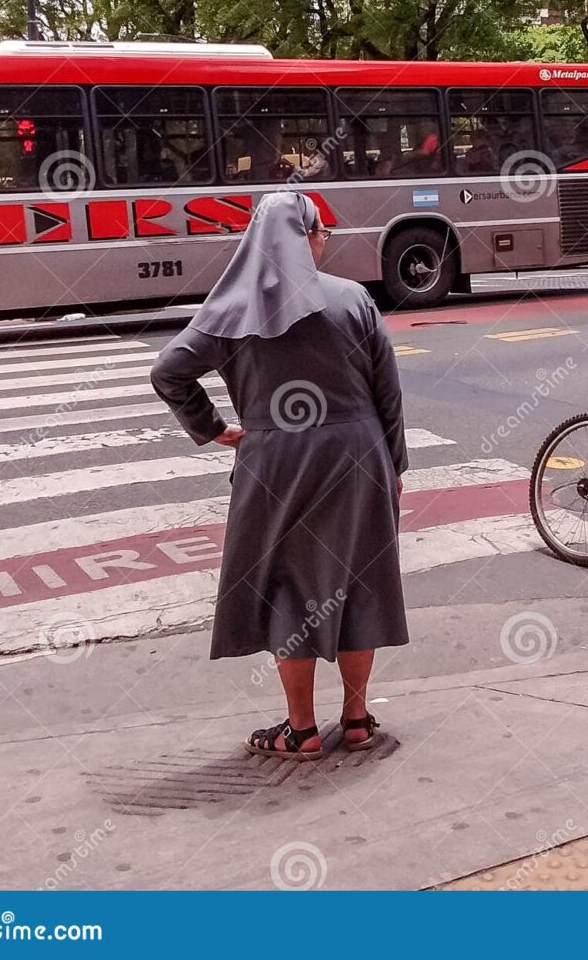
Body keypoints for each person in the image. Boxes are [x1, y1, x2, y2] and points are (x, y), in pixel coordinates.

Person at [150, 192, 409, 758]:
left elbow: (169, 373)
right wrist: (393, 466)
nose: (323, 243)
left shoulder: (228, 311)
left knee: (289, 585)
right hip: (357, 453)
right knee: (359, 580)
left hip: (275, 462)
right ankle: (358, 718)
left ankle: (302, 728)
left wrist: (214, 427)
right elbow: (388, 394)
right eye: (321, 234)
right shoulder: (353, 300)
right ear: (303, 238)